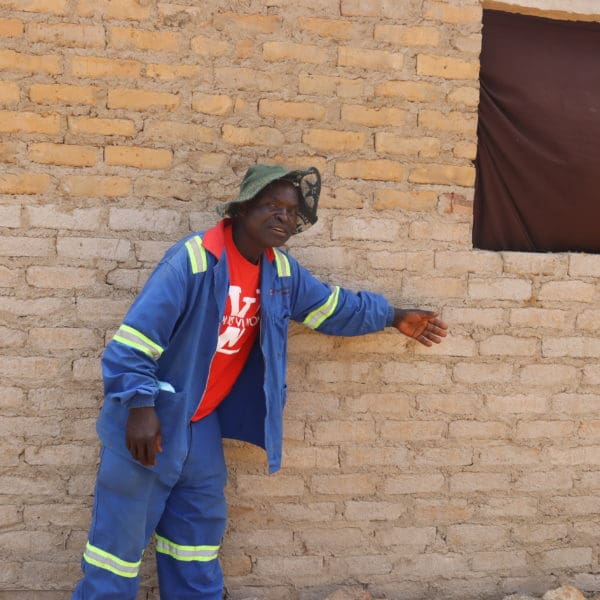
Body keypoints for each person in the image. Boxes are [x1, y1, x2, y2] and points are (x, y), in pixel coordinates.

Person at [72, 164, 448, 599]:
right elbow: (132, 342)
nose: (283, 218)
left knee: (195, 548)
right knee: (115, 556)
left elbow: (330, 307)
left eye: (291, 212)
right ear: (242, 208)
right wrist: (139, 406)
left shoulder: (281, 274)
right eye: (271, 206)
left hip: (201, 428)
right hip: (152, 426)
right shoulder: (195, 259)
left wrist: (392, 316)